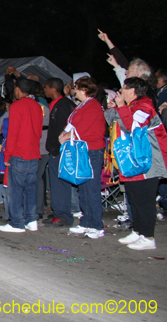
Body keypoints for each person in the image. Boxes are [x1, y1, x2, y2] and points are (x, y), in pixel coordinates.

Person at [105, 77, 167, 250]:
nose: (120, 91)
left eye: (124, 88)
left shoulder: (145, 106)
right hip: (133, 161)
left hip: (147, 162)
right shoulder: (132, 106)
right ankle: (138, 231)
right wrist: (113, 109)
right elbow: (114, 124)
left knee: (144, 201)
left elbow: (132, 126)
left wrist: (122, 106)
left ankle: (148, 237)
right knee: (134, 198)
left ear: (132, 90)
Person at [58, 76, 106, 239]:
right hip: (83, 149)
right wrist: (63, 134)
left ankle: (96, 225)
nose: (74, 90)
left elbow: (84, 129)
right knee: (83, 187)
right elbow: (72, 124)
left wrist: (67, 135)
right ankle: (86, 221)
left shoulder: (93, 105)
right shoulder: (81, 106)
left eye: (77, 88)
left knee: (92, 189)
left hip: (92, 150)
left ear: (84, 90)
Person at [0, 79, 43, 233]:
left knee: (15, 190)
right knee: (31, 188)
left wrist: (7, 155)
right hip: (33, 153)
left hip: (19, 153)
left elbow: (13, 133)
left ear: (17, 90)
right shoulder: (37, 106)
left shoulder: (17, 106)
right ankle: (31, 219)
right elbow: (38, 130)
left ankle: (16, 222)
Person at [43, 78, 75, 227]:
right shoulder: (56, 104)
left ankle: (63, 215)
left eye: (46, 87)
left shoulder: (63, 106)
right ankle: (57, 212)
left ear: (53, 89)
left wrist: (56, 149)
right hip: (55, 149)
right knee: (55, 184)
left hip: (60, 150)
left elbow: (63, 130)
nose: (44, 90)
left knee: (60, 184)